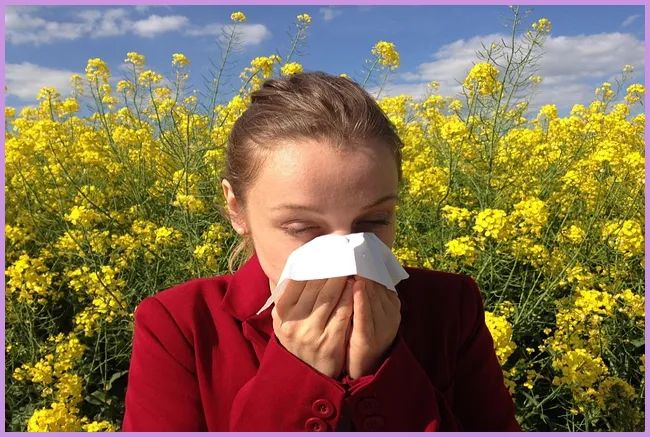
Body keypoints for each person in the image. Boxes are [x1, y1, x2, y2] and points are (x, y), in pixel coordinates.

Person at [121, 72, 521, 432]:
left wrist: (382, 369)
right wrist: (299, 375)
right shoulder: (181, 326)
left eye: (374, 221)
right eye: (301, 228)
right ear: (237, 209)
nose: (347, 255)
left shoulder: (449, 307)